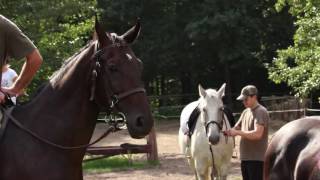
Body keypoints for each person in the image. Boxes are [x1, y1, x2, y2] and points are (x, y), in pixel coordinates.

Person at [224, 85, 270, 180]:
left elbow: (258, 134)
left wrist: (238, 132)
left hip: (257, 159)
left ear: (254, 97)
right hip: (245, 158)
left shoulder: (261, 111)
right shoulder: (245, 112)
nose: (243, 102)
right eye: (242, 100)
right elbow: (236, 127)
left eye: (246, 99)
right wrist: (226, 131)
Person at [0, 15, 42, 104]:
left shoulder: (11, 73)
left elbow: (35, 59)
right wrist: (15, 90)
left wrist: (14, 92)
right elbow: (35, 59)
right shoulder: (3, 24)